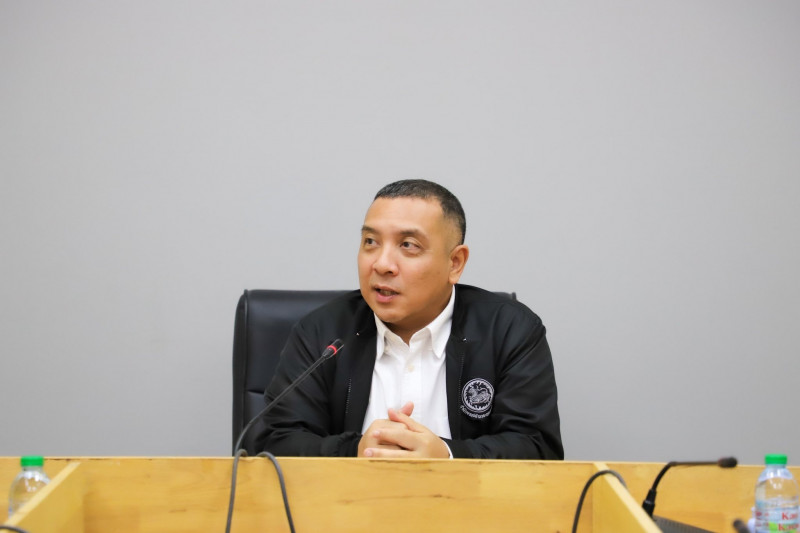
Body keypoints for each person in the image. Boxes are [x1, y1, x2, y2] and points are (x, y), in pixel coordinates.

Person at [255, 179, 562, 459]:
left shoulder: (509, 330)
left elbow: (537, 448)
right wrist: (354, 451)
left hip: (467, 502)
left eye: (408, 245)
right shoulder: (321, 332)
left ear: (455, 263)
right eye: (371, 242)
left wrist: (447, 456)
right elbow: (273, 443)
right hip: (347, 501)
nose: (382, 264)